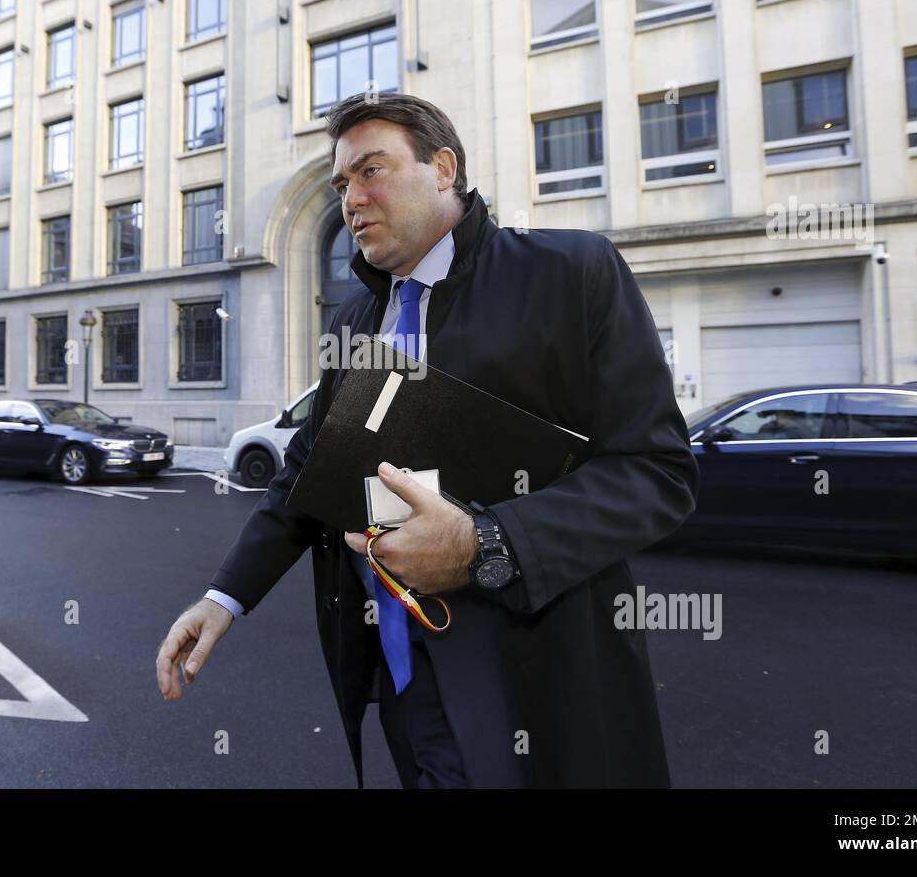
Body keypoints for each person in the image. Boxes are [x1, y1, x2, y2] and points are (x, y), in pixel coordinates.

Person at [156, 92, 700, 788]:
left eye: (371, 171)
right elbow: (305, 474)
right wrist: (222, 598)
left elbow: (657, 473)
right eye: (341, 184)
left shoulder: (571, 275)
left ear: (443, 168)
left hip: (531, 678)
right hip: (401, 679)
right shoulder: (356, 318)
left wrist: (485, 543)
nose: (351, 200)